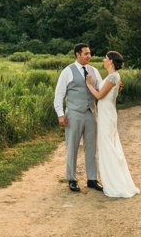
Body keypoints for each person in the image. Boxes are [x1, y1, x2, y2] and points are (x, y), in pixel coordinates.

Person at [84, 51, 140, 198]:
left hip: (107, 115)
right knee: (108, 146)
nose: (103, 59)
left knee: (108, 146)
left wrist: (89, 85)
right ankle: (113, 180)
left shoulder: (114, 76)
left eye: (106, 58)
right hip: (106, 114)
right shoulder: (112, 77)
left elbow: (99, 96)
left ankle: (116, 184)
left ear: (111, 62)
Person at [53, 43, 104, 192]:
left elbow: (101, 89)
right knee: (72, 146)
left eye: (90, 53)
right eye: (86, 53)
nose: (89, 56)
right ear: (77, 54)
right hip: (74, 114)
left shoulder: (94, 71)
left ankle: (92, 179)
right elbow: (59, 95)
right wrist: (60, 114)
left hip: (91, 113)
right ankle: (72, 179)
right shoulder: (67, 71)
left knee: (92, 147)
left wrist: (114, 86)